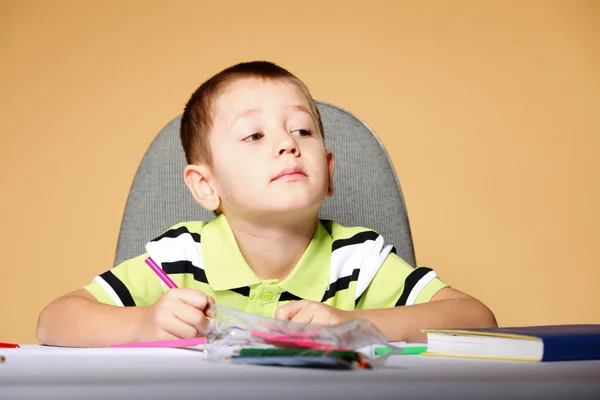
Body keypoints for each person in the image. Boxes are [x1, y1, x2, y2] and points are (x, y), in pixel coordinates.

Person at [36, 61, 497, 347]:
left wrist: (352, 324)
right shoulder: (180, 256)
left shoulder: (358, 259)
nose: (286, 144)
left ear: (330, 171)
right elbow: (54, 322)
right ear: (204, 185)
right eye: (255, 135)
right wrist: (142, 325)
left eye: (302, 130)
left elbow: (477, 319)